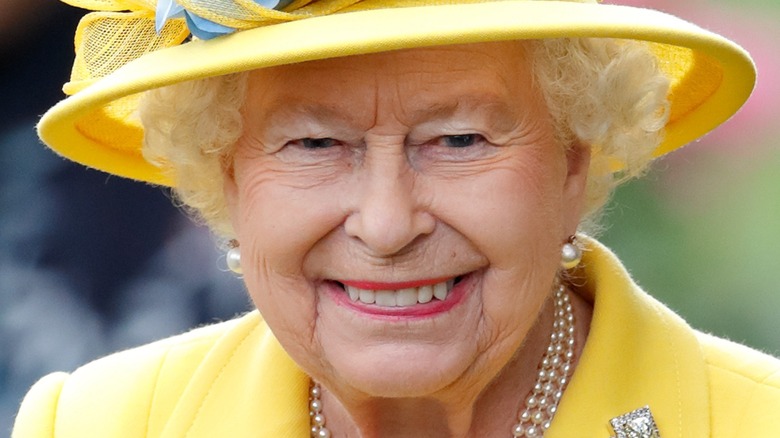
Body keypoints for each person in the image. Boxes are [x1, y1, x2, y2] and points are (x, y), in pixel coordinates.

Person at [12, 0, 780, 436]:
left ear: (575, 159)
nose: (386, 224)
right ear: (227, 175)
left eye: (457, 139)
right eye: (315, 142)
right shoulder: (98, 424)